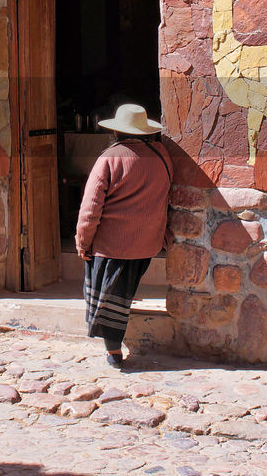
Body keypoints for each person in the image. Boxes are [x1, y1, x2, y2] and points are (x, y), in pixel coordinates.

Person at [74, 103, 173, 368]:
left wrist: (83, 241)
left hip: (112, 245)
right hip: (148, 242)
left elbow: (90, 207)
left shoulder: (110, 157)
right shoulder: (162, 154)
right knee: (123, 293)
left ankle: (113, 351)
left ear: (117, 133)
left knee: (111, 299)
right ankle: (114, 346)